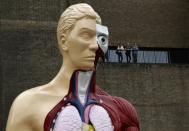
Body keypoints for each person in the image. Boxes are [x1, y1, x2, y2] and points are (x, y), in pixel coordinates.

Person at [6, 3, 139, 131]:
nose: (95, 45)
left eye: (100, 38)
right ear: (64, 41)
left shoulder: (122, 111)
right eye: (86, 35)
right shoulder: (28, 105)